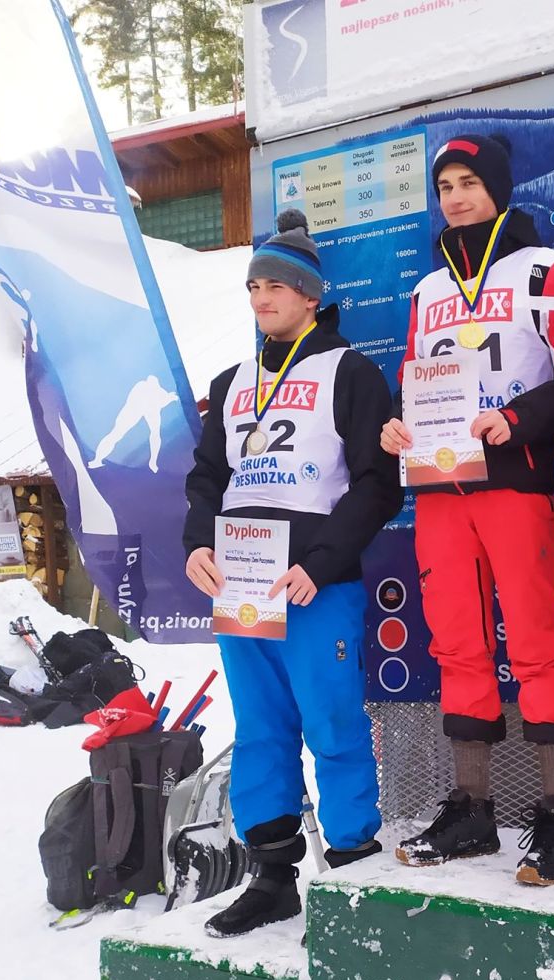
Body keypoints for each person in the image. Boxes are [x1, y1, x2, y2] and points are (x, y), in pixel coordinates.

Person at [380, 134, 554, 885]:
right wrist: (397, 424)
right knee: (455, 644)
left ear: (497, 188)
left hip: (514, 477)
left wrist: (520, 418)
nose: (456, 198)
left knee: (536, 640)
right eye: (444, 187)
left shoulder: (546, 269)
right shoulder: (426, 292)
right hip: (441, 488)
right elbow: (417, 380)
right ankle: (472, 809)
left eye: (468, 182)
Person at [183, 209, 402, 938]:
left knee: (333, 724)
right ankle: (273, 876)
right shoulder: (231, 382)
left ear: (310, 295)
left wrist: (322, 560)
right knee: (260, 730)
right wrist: (197, 542)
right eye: (253, 286)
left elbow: (378, 485)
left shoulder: (350, 372)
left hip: (314, 586)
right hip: (242, 589)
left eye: (275, 285)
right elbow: (208, 478)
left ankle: (354, 870)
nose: (261, 297)